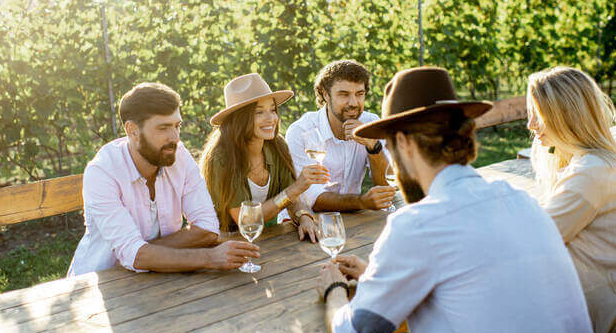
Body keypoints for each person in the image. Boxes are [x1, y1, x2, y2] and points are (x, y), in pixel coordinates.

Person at [316, 66, 599, 333]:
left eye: (390, 148)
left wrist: (334, 290)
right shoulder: (521, 201)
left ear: (404, 143)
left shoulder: (416, 226)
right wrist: (377, 276)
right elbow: (470, 278)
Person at [68, 82, 260, 276]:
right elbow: (136, 256)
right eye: (163, 128)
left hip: (163, 278)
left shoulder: (179, 155)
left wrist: (144, 252)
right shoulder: (102, 172)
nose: (175, 137)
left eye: (177, 126)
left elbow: (208, 228)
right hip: (101, 280)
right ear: (132, 130)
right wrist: (209, 258)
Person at [527, 66, 616, 333]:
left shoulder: (591, 173)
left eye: (539, 113)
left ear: (566, 114)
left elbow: (534, 239)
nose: (531, 124)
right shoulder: (593, 164)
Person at [200, 73, 328, 239]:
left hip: (269, 239)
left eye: (273, 110)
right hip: (226, 243)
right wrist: (295, 188)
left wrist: (304, 217)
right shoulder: (221, 158)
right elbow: (245, 221)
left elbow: (293, 199)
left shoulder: (277, 146)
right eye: (259, 112)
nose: (271, 119)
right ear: (240, 119)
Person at [286, 60, 396, 212]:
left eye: (359, 94)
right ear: (325, 95)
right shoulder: (301, 132)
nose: (353, 103)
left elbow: (386, 186)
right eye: (343, 94)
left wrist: (373, 146)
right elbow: (313, 200)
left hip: (353, 219)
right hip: (305, 222)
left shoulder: (371, 123)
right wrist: (362, 202)